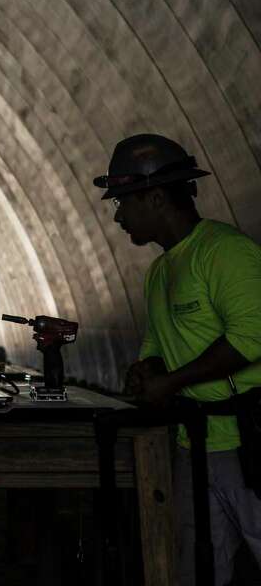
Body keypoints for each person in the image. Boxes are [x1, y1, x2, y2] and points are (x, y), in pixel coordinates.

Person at [96, 133, 261, 586]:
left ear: (154, 197)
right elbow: (159, 342)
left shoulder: (225, 252)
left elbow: (252, 337)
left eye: (123, 202)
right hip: (196, 445)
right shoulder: (161, 271)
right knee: (198, 569)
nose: (118, 216)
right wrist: (146, 369)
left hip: (249, 446)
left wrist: (170, 384)